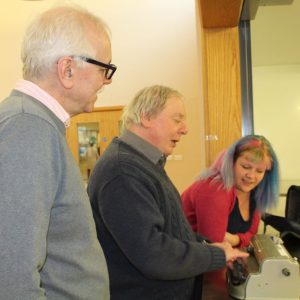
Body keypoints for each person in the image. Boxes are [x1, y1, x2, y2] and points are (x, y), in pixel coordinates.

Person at [88, 85, 248, 300]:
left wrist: (205, 245)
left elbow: (170, 228)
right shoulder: (123, 171)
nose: (185, 129)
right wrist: (215, 255)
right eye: (177, 119)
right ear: (146, 117)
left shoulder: (143, 164)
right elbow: (152, 253)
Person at [0, 5, 117, 299]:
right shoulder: (29, 128)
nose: (107, 80)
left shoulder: (34, 123)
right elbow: (12, 277)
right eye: (105, 68)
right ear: (67, 70)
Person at [181, 135, 280, 248]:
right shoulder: (215, 189)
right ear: (231, 162)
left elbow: (252, 236)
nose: (251, 176)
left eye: (259, 171)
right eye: (245, 167)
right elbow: (214, 249)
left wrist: (235, 239)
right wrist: (241, 241)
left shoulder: (255, 191)